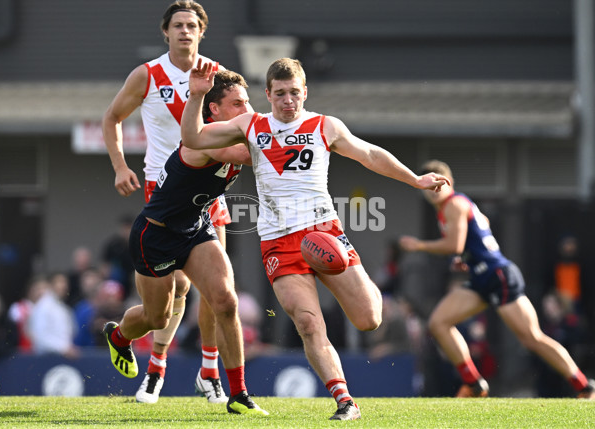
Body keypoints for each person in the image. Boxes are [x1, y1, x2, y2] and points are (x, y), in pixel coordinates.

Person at [180, 58, 449, 420]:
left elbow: (369, 154)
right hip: (278, 242)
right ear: (268, 95)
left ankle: (363, 282)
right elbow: (193, 138)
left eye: (294, 93)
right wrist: (196, 96)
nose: (287, 100)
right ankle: (344, 401)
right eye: (279, 94)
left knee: (369, 319)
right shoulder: (251, 125)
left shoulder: (325, 125)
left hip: (324, 232)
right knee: (307, 323)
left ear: (304, 92)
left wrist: (415, 179)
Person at [102, 68, 268, 416]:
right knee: (157, 319)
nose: (248, 110)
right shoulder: (212, 139)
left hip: (196, 228)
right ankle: (119, 337)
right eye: (237, 104)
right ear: (215, 111)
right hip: (155, 236)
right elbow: (252, 154)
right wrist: (299, 132)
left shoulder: (242, 134)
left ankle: (238, 394)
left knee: (225, 301)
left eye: (249, 102)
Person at [101, 1, 231, 404]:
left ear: (202, 32)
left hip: (208, 187)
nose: (185, 31)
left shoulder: (216, 73)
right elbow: (111, 119)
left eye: (192, 25)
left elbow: (239, 122)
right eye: (178, 25)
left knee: (217, 288)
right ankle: (152, 364)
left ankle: (209, 372)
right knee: (174, 290)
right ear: (166, 32)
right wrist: (121, 166)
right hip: (164, 188)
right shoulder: (148, 75)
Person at [398, 159, 595, 399]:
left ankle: (584, 386)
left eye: (438, 184)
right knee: (438, 323)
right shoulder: (456, 205)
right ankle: (473, 383)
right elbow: (482, 227)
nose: (434, 191)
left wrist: (420, 245)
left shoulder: (454, 205)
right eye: (428, 186)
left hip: (497, 275)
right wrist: (470, 256)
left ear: (450, 183)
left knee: (532, 338)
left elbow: (454, 244)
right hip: (481, 276)